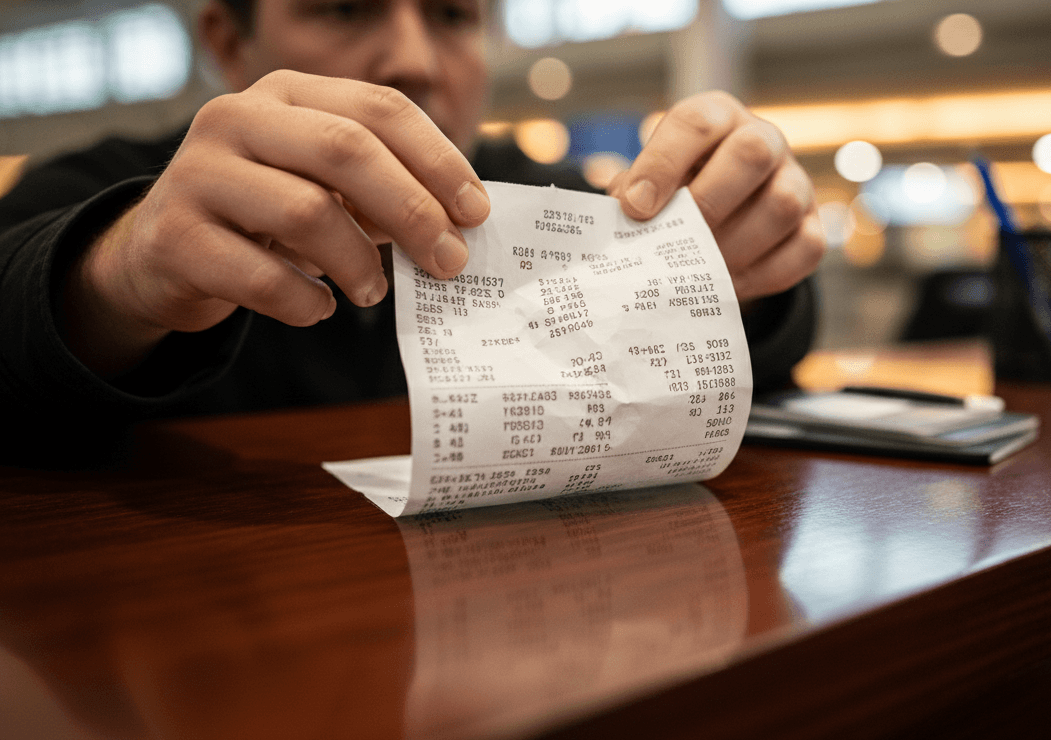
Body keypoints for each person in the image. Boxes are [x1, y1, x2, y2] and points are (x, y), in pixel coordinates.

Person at [0, 0, 823, 466]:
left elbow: (767, 354)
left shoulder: (541, 195)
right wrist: (122, 272)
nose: (412, 59)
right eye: (344, 7)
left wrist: (740, 258)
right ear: (226, 38)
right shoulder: (106, 186)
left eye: (453, 15)